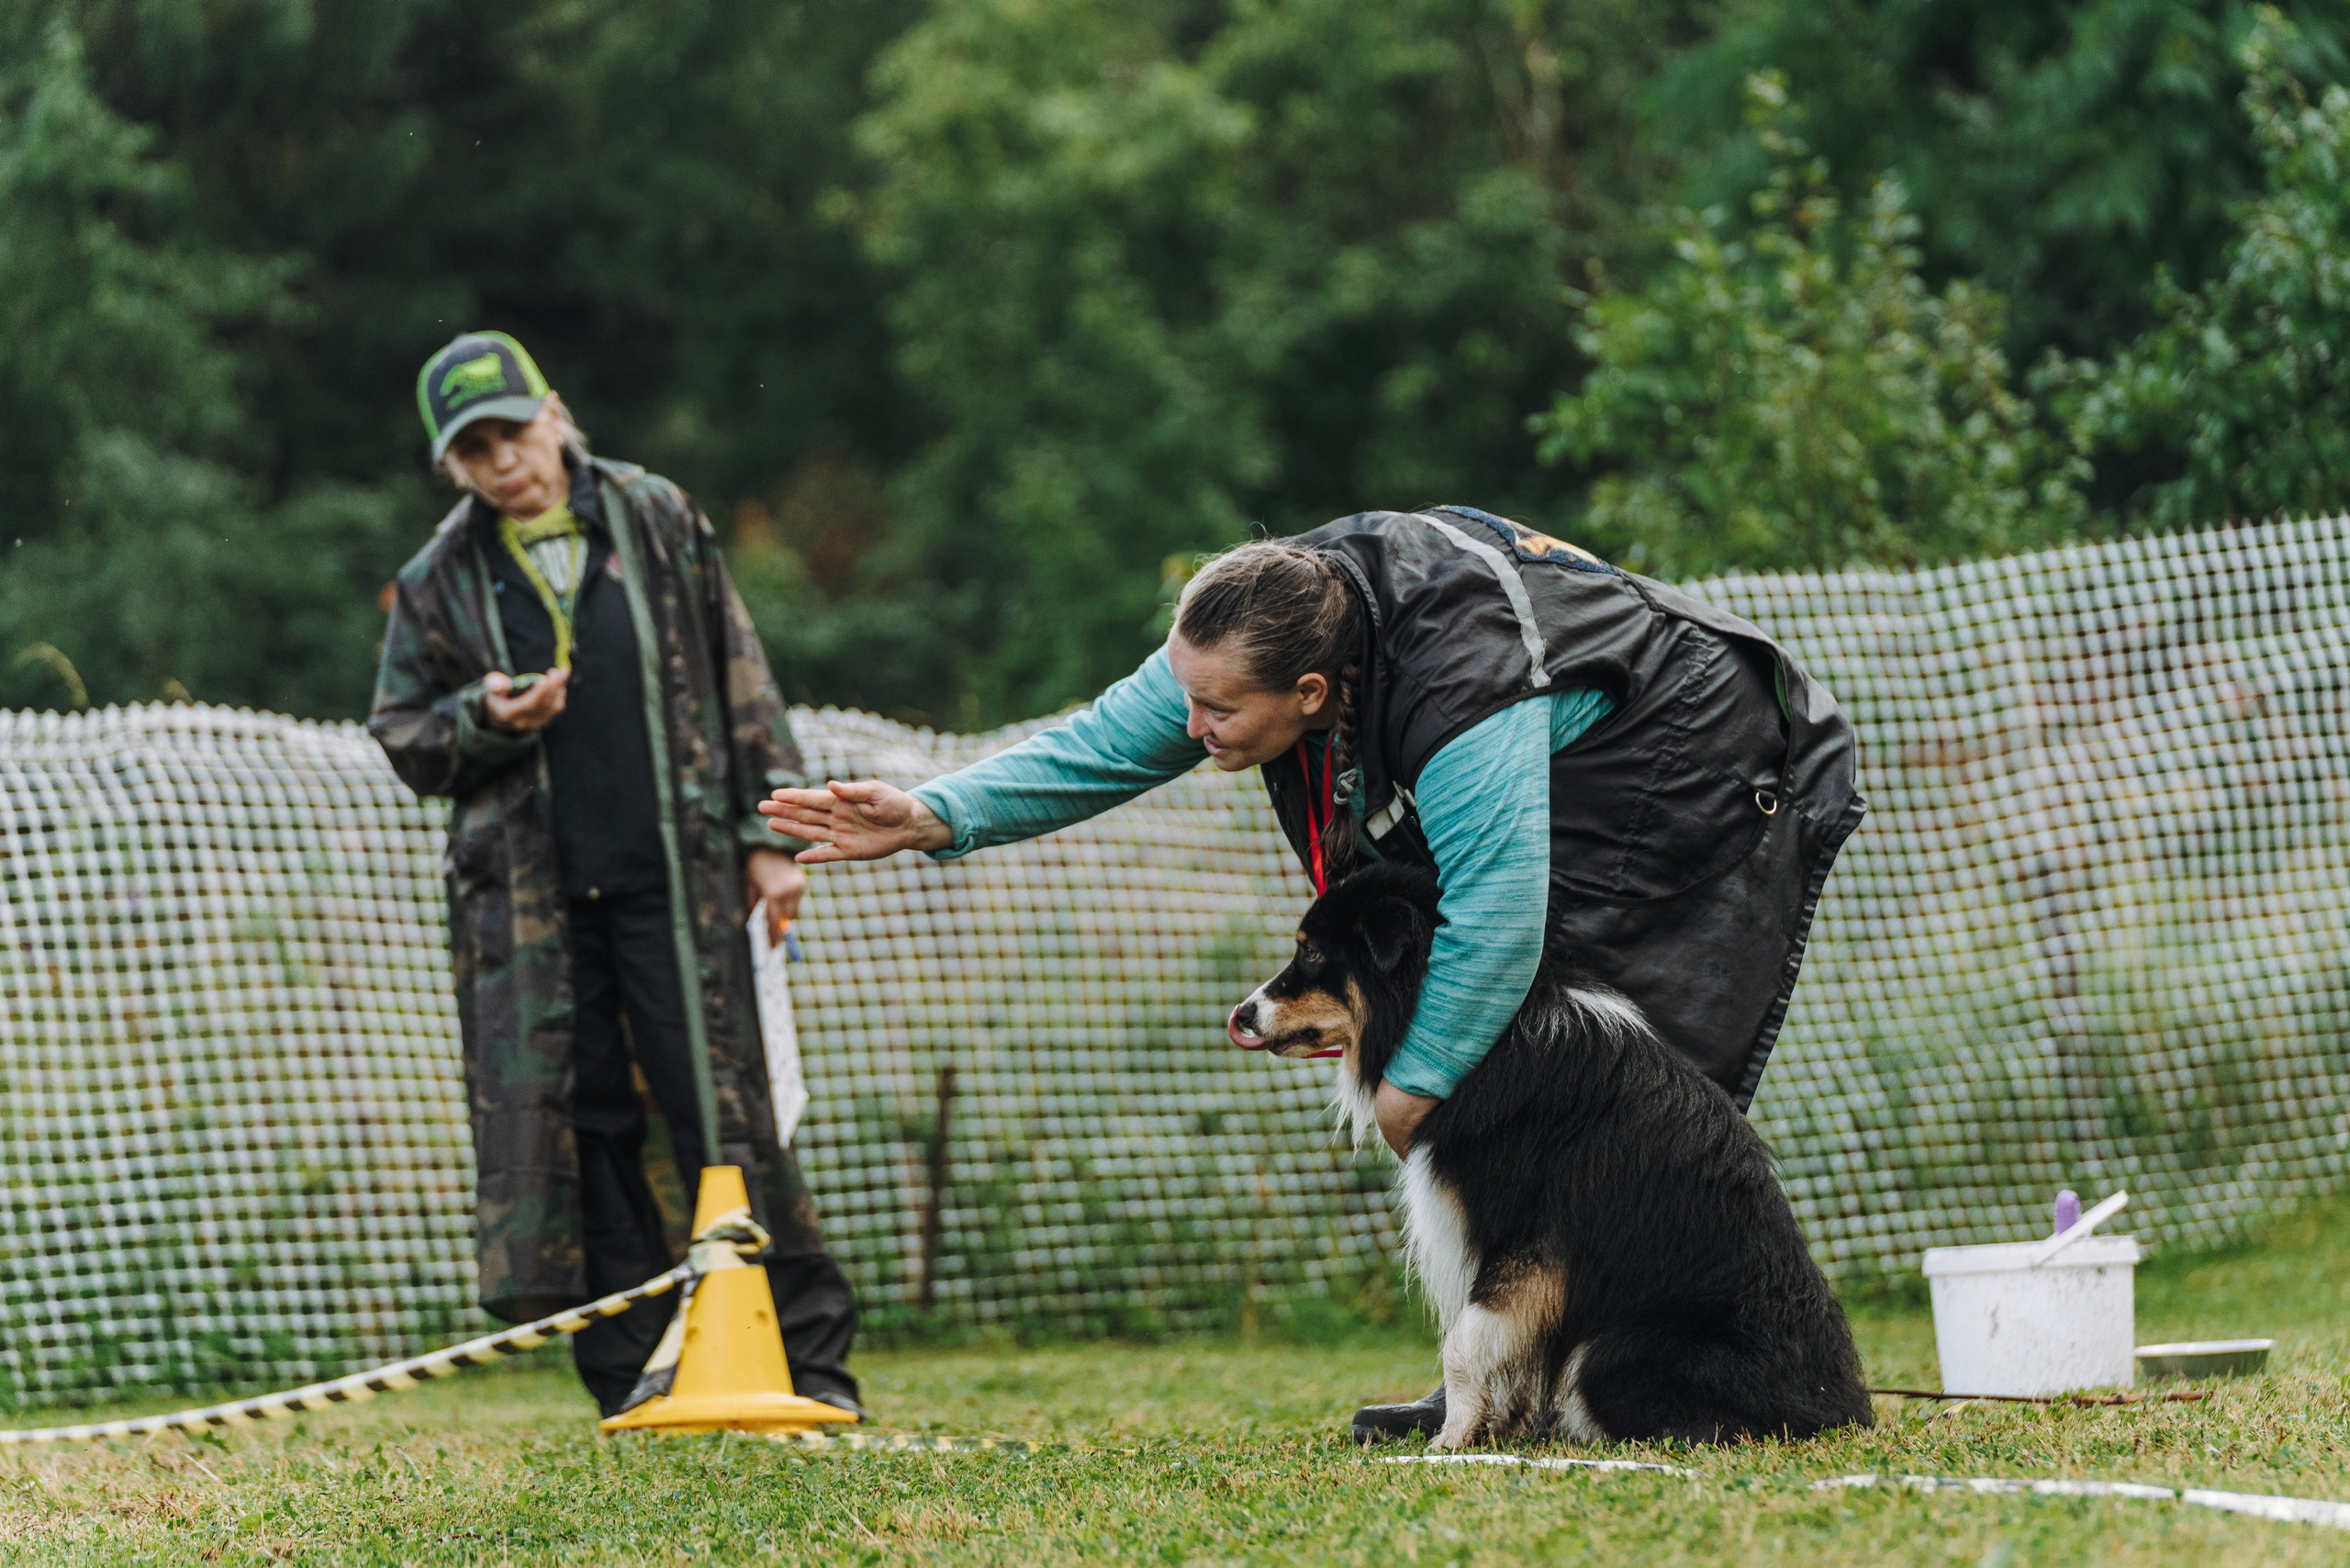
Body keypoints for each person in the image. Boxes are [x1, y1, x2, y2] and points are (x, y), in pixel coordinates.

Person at [759, 508, 1863, 1441]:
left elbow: (1496, 918)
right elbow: (1107, 741)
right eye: (1190, 702)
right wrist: (939, 812)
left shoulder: (1462, 695)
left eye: (1218, 716)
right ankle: (1496, 1377)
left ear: (1315, 687)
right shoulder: (1259, 616)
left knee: (1587, 1083)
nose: (1193, 732)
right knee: (1500, 1093)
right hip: (1557, 760)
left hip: (1695, 763)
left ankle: (1714, 1372)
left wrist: (1411, 1081)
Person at [370, 330, 861, 1418]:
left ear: (554, 411)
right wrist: (480, 719)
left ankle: (814, 1368)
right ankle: (637, 1383)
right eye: (476, 448)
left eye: (514, 430)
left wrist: (771, 834)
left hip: (680, 890)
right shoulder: (437, 578)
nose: (505, 460)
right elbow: (403, 733)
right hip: (531, 917)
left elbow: (742, 669)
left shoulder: (653, 514)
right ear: (454, 466)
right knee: (579, 1131)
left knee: (723, 1114)